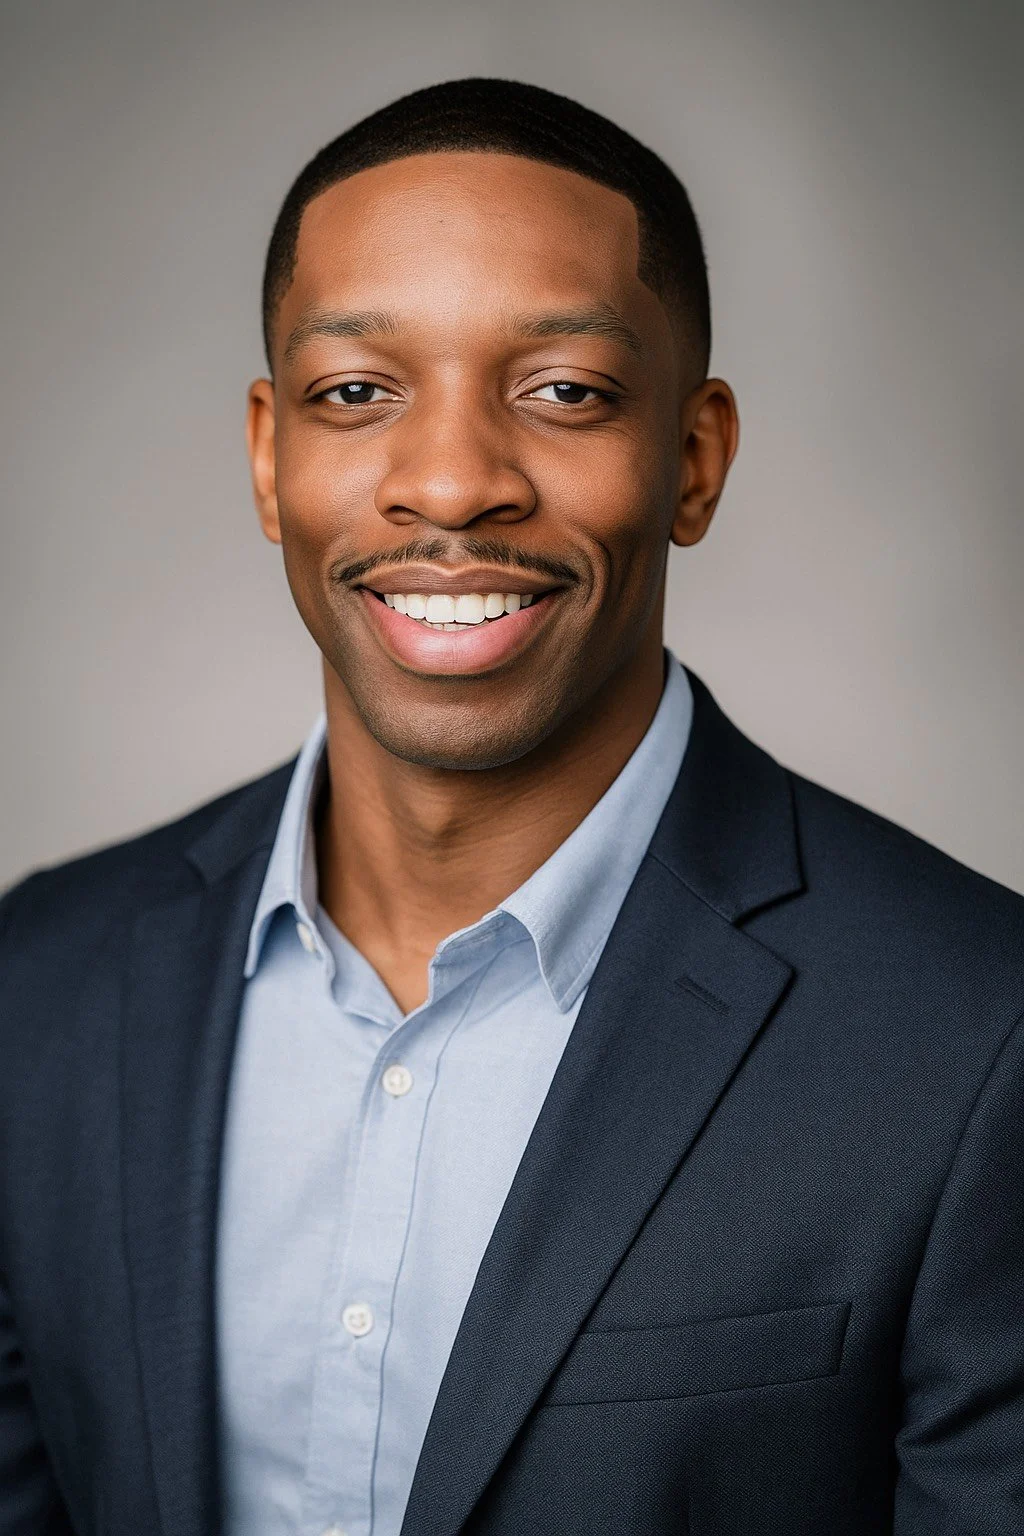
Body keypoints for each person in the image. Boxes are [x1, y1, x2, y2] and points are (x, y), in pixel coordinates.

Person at [1, 75, 1022, 1536]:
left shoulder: (980, 1038)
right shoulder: (37, 991)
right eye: (356, 394)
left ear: (694, 455)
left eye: (563, 393)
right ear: (266, 457)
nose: (452, 483)